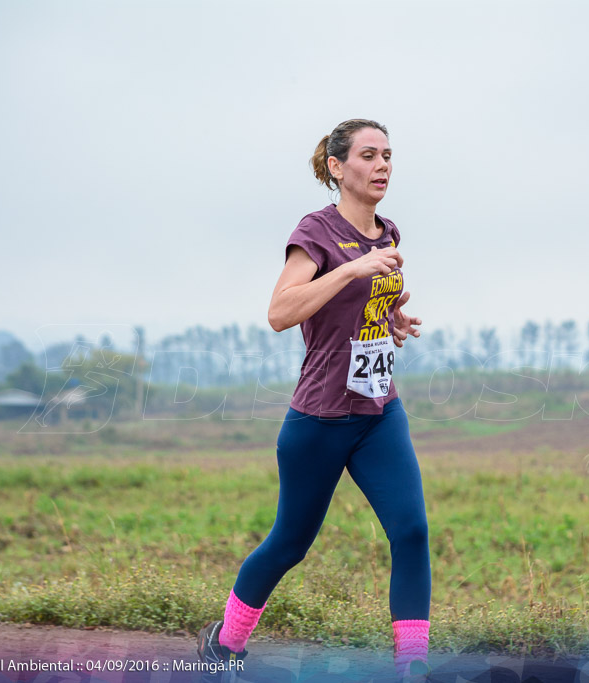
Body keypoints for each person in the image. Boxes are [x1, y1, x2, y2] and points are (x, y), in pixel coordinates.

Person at [198, 119, 432, 680]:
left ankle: (412, 669)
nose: (383, 166)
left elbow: (355, 307)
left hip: (378, 412)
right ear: (336, 167)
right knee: (290, 543)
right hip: (320, 418)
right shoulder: (315, 232)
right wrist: (352, 268)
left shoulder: (388, 231)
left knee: (412, 531)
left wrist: (390, 319)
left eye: (388, 155)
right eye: (369, 155)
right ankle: (224, 646)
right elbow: (281, 313)